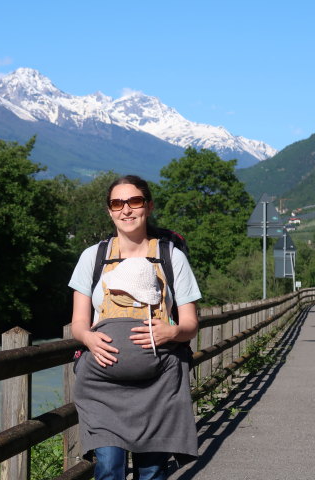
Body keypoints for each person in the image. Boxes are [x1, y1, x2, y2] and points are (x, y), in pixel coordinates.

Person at [68, 174, 201, 480]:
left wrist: (172, 332)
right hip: (103, 388)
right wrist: (88, 337)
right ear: (109, 211)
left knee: (152, 473)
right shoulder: (93, 257)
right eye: (117, 203)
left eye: (134, 201)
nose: (126, 210)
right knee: (109, 468)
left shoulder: (171, 256)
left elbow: (191, 323)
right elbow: (78, 323)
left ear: (148, 206)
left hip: (158, 386)